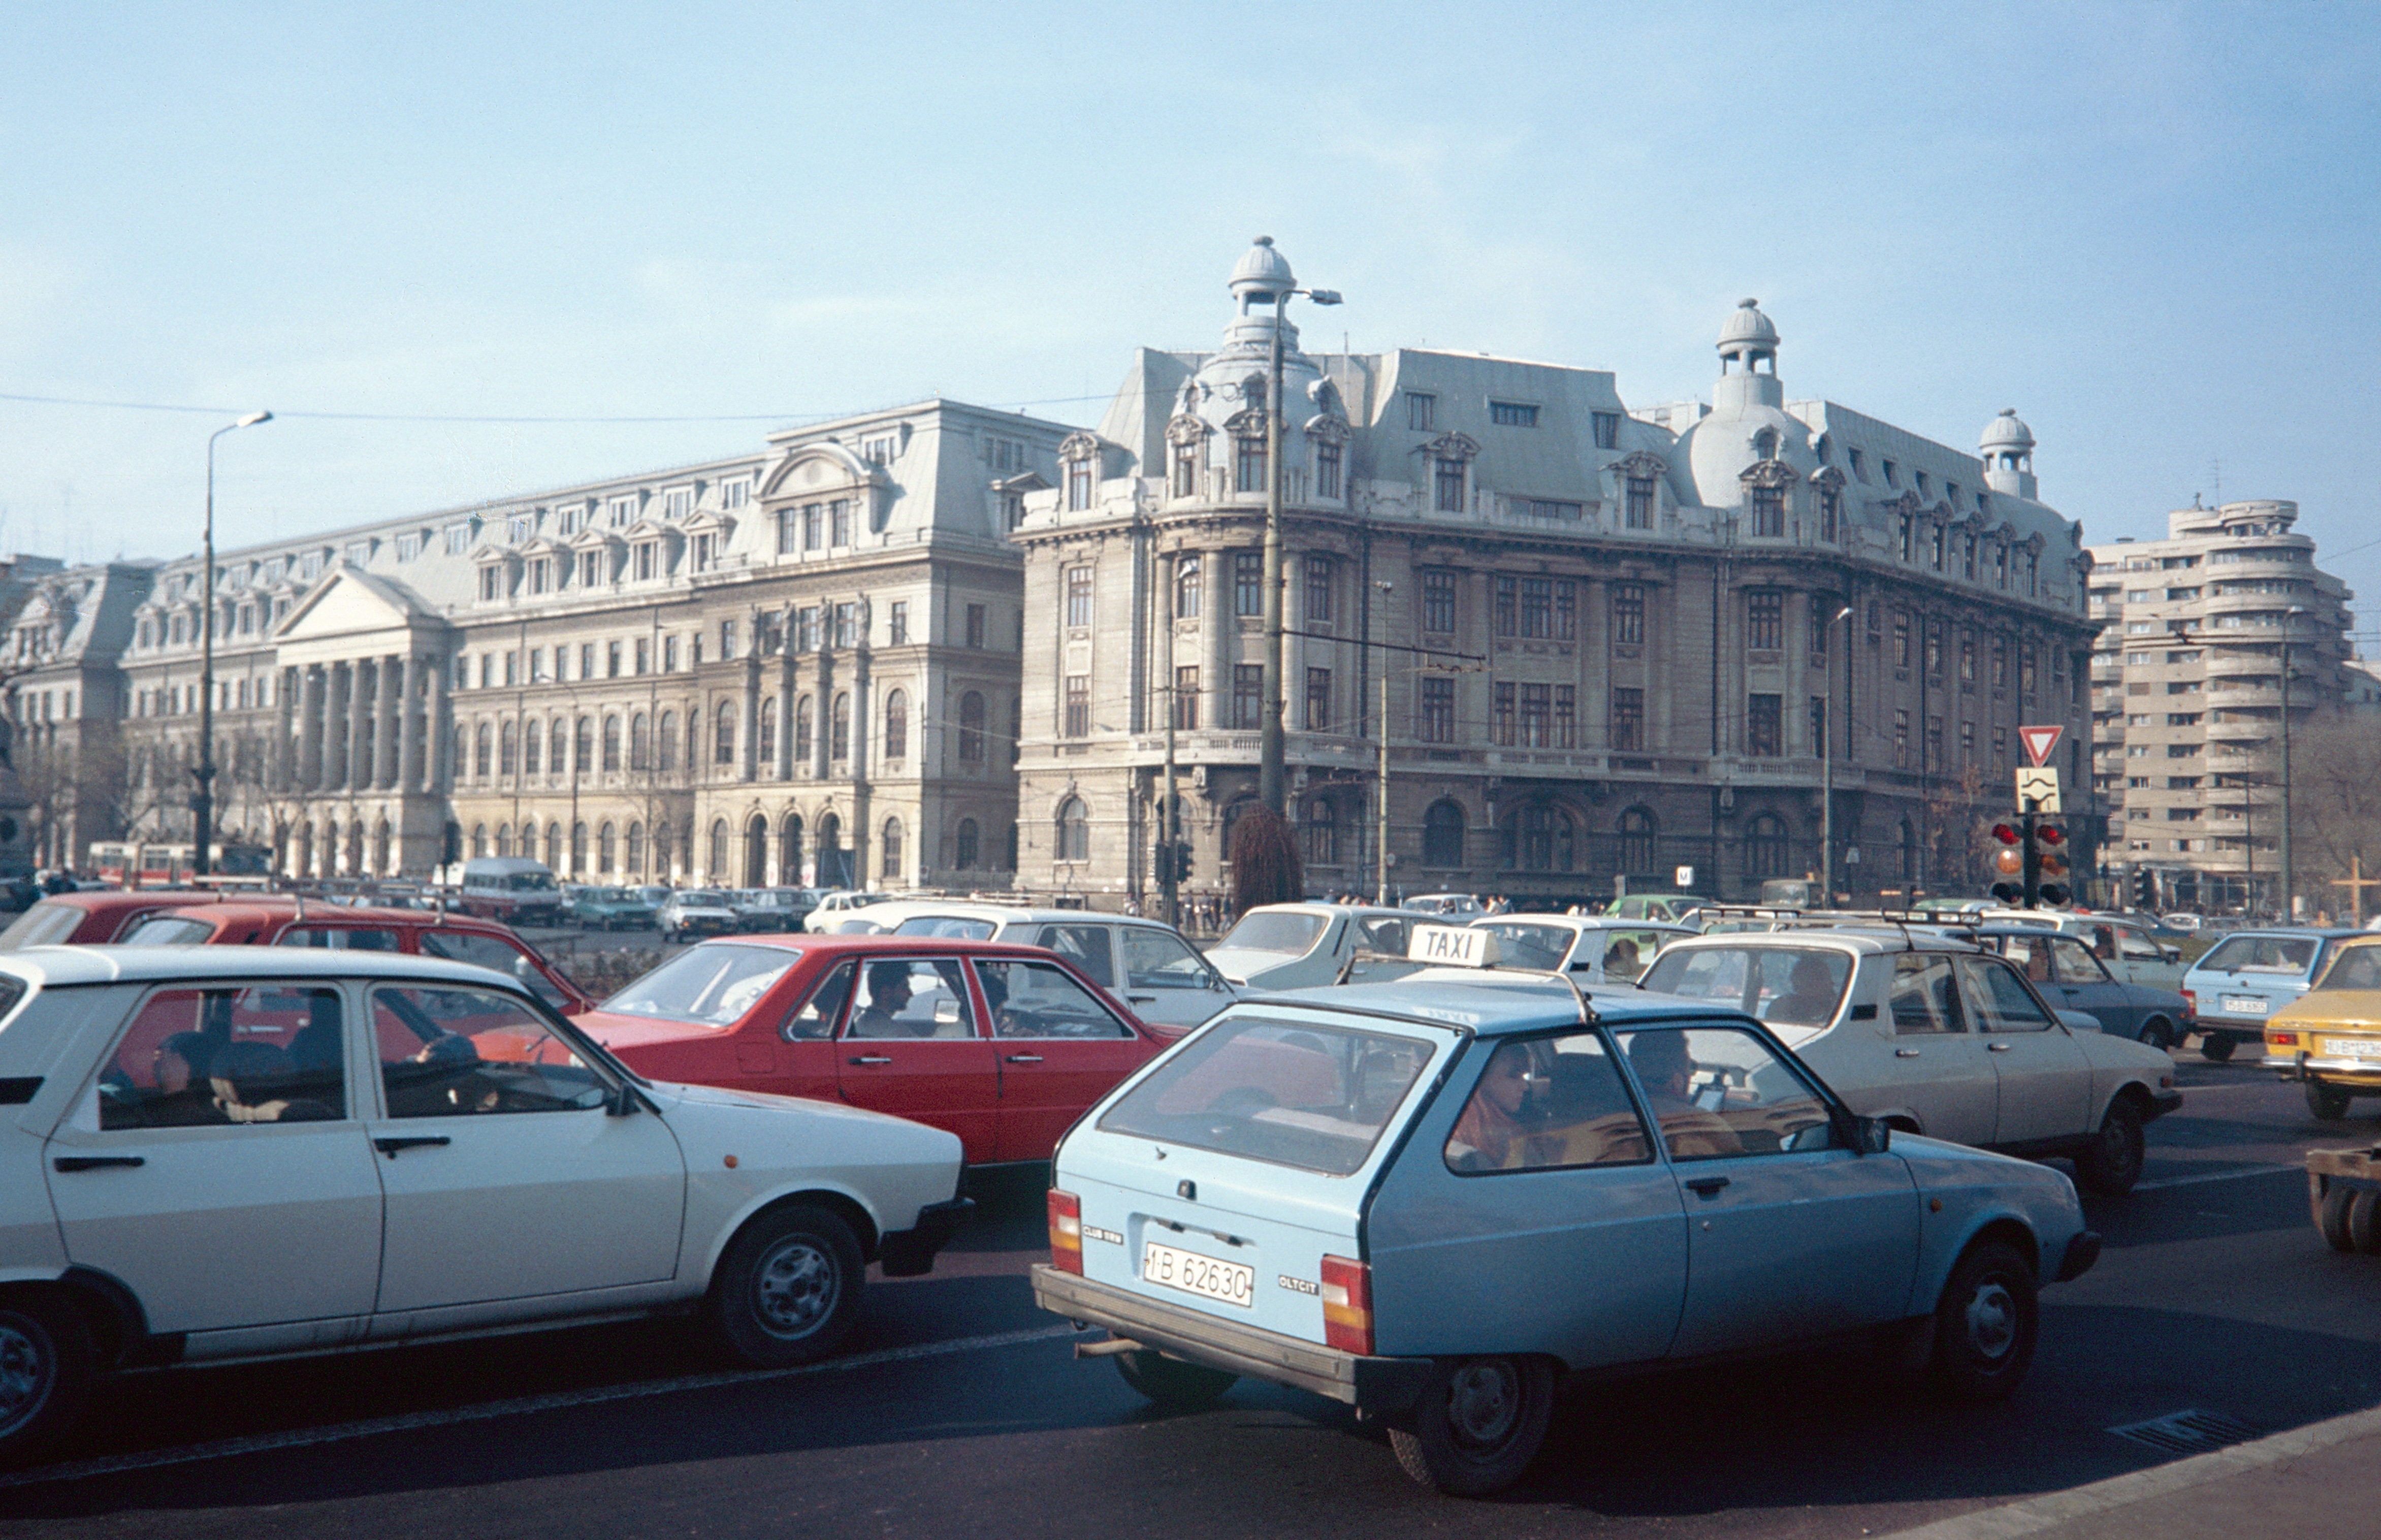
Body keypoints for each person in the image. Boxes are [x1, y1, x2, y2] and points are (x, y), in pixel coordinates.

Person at [1445, 1043, 1537, 1170]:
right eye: (1514, 1076)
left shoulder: (1447, 1127)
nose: (1525, 1087)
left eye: (1524, 1077)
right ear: (1482, 1079)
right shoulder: (1508, 1138)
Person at [1766, 954, 1844, 1025]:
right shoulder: (1781, 1007)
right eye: (1818, 978)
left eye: (1825, 977)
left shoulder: (1842, 1008)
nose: (1831, 983)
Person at [850, 961, 917, 1037]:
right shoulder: (898, 1033)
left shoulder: (859, 1022)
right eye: (904, 987)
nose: (911, 993)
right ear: (886, 993)